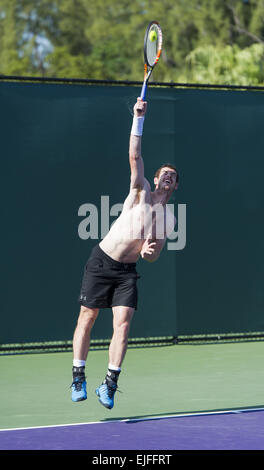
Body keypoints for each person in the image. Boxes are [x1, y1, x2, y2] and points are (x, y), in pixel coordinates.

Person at [71, 97, 179, 409]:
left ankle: (110, 384)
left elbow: (154, 255)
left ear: (175, 187)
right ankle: (78, 375)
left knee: (124, 325)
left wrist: (148, 252)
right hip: (102, 261)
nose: (168, 177)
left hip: (127, 273)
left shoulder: (169, 219)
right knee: (88, 316)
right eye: (165, 174)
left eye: (174, 176)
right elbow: (135, 154)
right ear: (156, 179)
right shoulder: (140, 190)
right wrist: (138, 118)